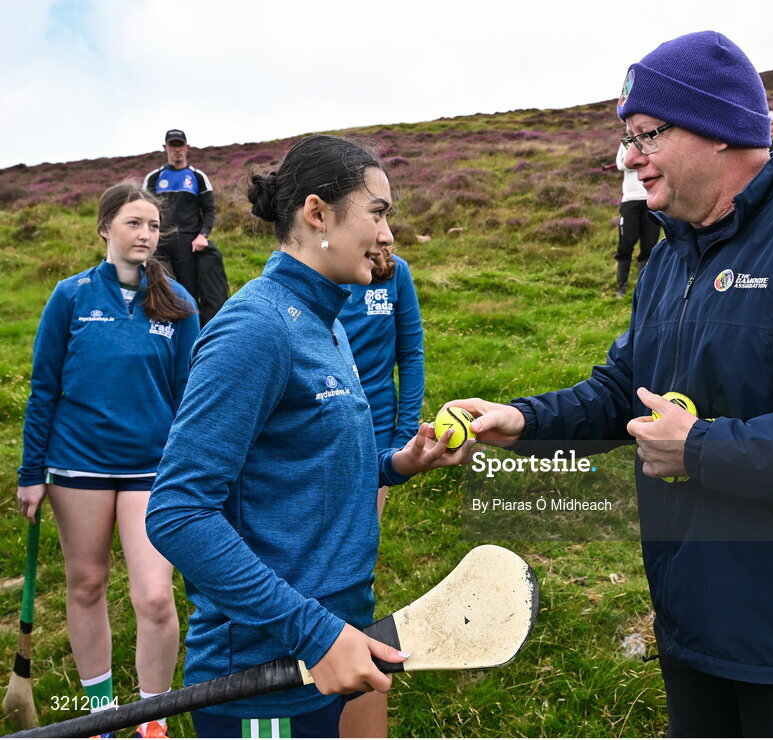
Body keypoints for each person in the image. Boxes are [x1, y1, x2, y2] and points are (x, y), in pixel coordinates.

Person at [449, 31, 773, 738]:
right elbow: (626, 391)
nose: (629, 156)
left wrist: (705, 449)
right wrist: (521, 421)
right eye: (625, 137)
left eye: (647, 133)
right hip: (691, 613)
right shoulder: (673, 257)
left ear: (716, 131)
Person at [145, 134, 471, 738]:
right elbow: (176, 513)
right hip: (262, 673)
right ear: (317, 213)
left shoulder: (327, 322)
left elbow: (302, 465)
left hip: (328, 650)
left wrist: (398, 465)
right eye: (377, 212)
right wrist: (315, 632)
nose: (388, 235)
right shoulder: (257, 326)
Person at [16, 182, 199, 739]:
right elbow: (44, 387)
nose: (145, 234)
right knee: (87, 584)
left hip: (151, 466)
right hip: (78, 467)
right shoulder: (70, 297)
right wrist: (31, 474)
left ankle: (152, 717)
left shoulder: (178, 303)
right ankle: (100, 715)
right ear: (105, 230)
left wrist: (194, 465)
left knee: (154, 596)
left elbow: (191, 394)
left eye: (151, 226)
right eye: (133, 224)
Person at [336, 246, 424, 737]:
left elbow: (409, 353)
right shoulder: (312, 275)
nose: (385, 231)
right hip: (324, 441)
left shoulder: (395, 274)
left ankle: (353, 688)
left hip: (375, 443)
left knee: (355, 563)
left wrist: (402, 437)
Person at [144, 129, 229, 326]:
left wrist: (203, 235)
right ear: (165, 148)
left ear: (187, 148)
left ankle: (192, 337)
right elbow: (143, 211)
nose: (177, 150)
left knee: (187, 294)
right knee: (161, 292)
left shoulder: (198, 177)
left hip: (189, 244)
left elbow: (209, 210)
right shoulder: (154, 178)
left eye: (180, 145)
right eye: (172, 145)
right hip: (161, 243)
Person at [613, 141, 661, 297]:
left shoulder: (653, 140)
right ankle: (621, 287)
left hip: (650, 200)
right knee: (626, 243)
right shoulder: (626, 143)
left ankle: (643, 289)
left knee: (649, 246)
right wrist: (641, 160)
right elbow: (621, 164)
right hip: (630, 200)